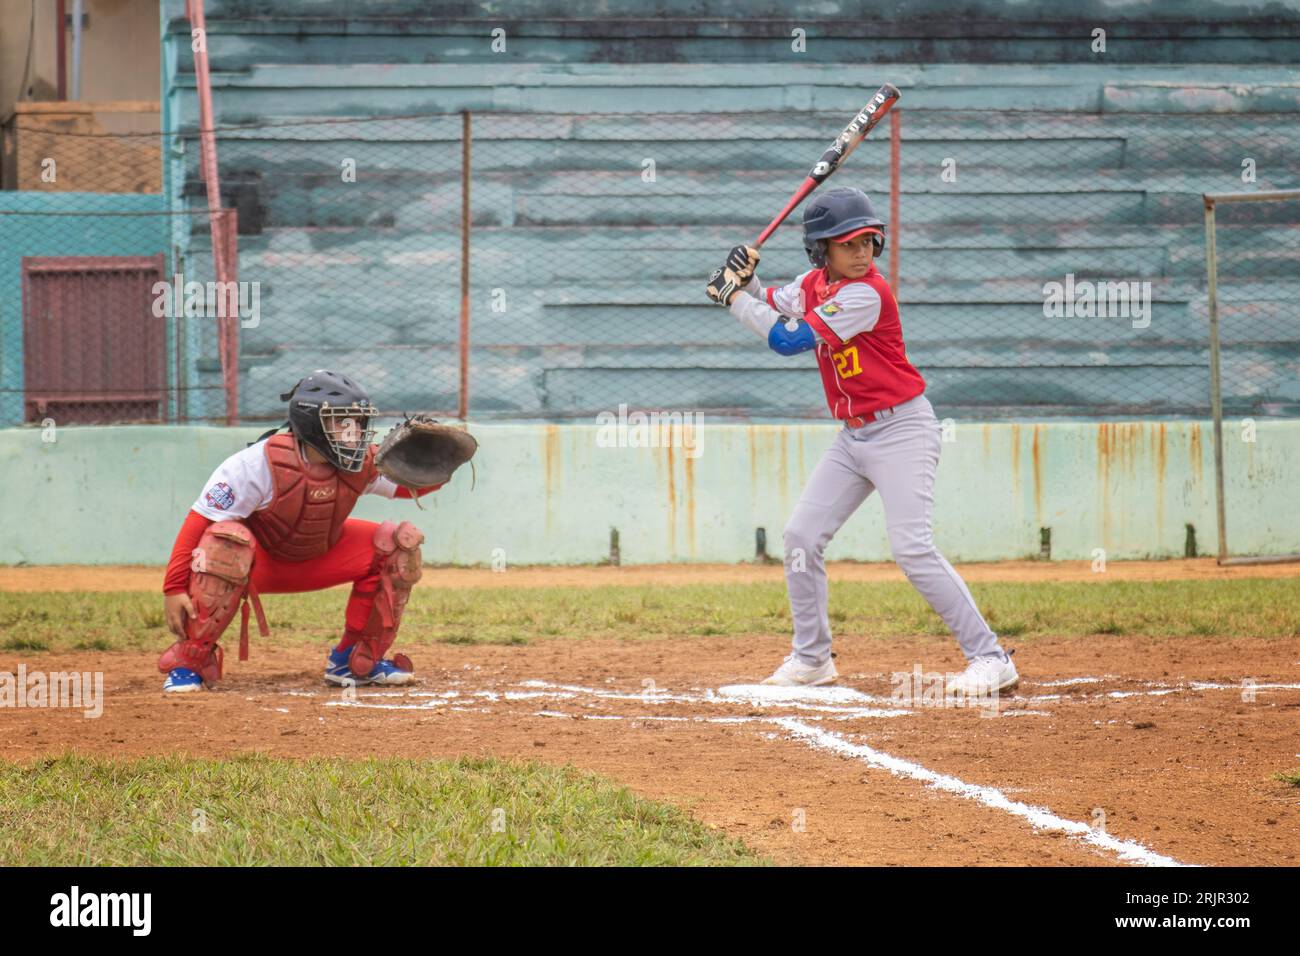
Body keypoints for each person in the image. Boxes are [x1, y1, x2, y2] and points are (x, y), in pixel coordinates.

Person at [706, 186, 1019, 697]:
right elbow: (772, 302)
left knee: (911, 548)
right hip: (854, 437)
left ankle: (990, 656)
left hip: (902, 430)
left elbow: (788, 339)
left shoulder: (867, 294)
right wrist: (746, 278)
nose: (860, 253)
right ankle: (811, 660)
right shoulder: (812, 284)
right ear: (820, 251)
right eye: (846, 244)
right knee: (801, 538)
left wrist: (732, 297)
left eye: (867, 243)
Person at [158, 369, 442, 693]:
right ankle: (192, 660)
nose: (355, 432)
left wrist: (437, 465)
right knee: (225, 542)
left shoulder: (360, 461)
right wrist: (173, 587)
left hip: (319, 557)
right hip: (255, 566)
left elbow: (409, 488)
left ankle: (352, 662)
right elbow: (199, 521)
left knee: (398, 545)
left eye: (359, 422)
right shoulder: (256, 464)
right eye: (343, 422)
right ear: (311, 422)